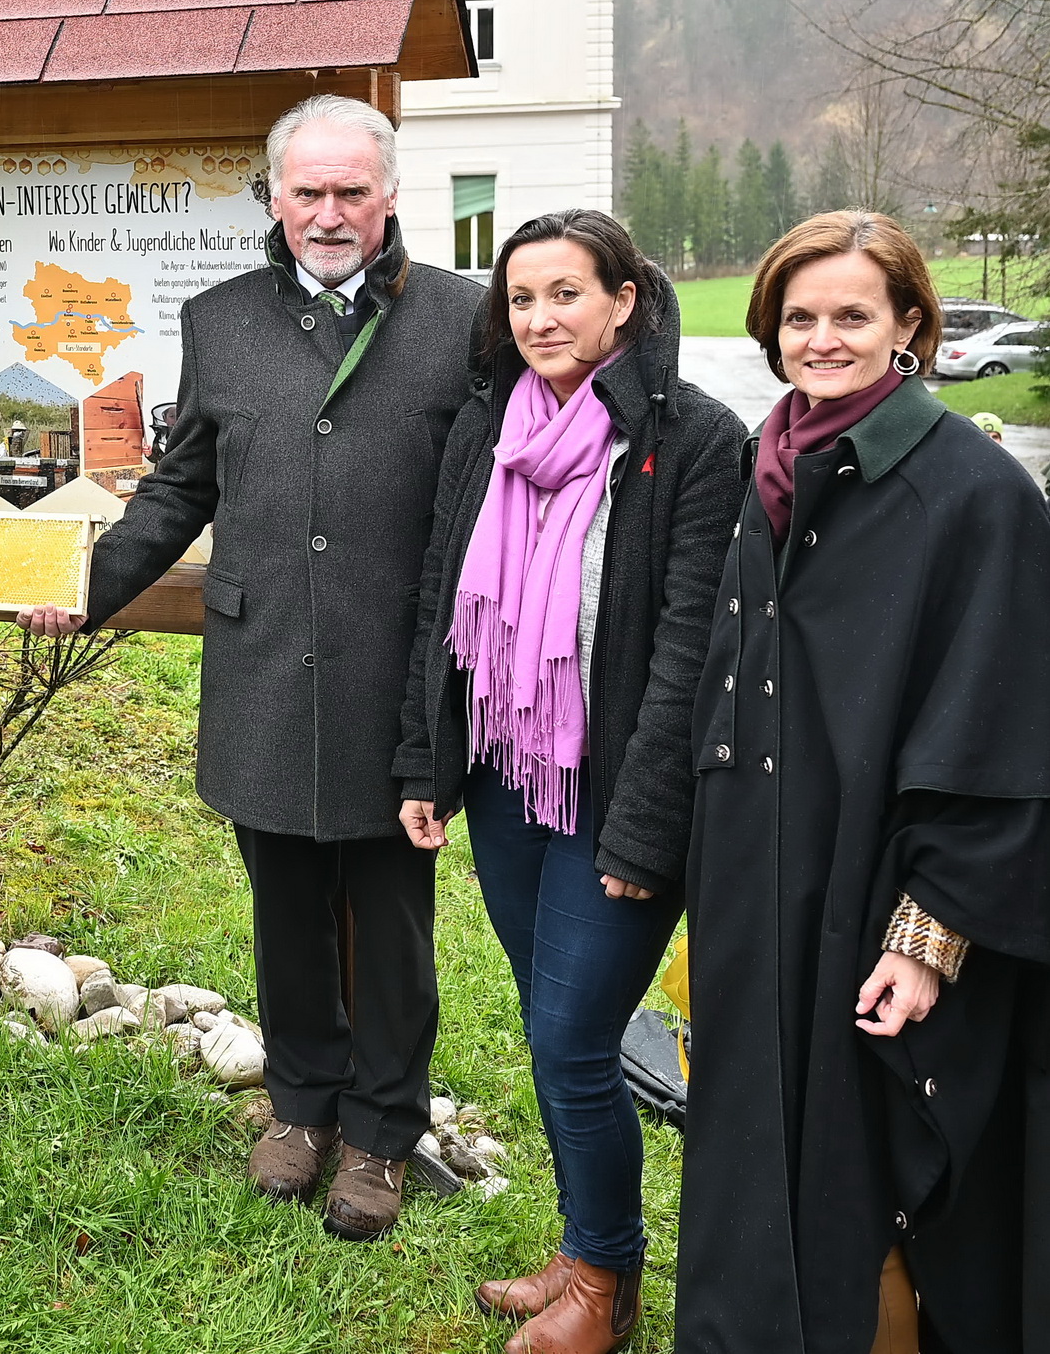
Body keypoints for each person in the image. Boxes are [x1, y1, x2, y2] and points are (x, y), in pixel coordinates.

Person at [21, 92, 480, 1239]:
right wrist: (90, 586)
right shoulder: (219, 318)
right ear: (273, 197)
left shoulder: (467, 322)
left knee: (391, 919)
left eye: (350, 193)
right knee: (282, 907)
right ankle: (299, 1106)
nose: (328, 214)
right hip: (265, 660)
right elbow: (183, 483)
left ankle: (382, 1129)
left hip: (394, 672)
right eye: (307, 192)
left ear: (388, 196)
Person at [679, 212, 1050, 1353]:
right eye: (800, 316)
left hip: (877, 894)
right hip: (755, 879)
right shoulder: (772, 461)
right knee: (750, 1144)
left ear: (908, 328)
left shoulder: (975, 495)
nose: (823, 338)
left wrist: (927, 933)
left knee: (877, 1164)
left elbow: (1005, 733)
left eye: (852, 316)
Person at [395, 212, 745, 1352]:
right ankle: (586, 1250)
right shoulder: (487, 426)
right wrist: (426, 763)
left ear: (625, 301)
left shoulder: (693, 441)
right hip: (505, 780)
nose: (541, 318)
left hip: (614, 800)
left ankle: (609, 1286)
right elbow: (442, 602)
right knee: (557, 1036)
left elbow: (692, 653)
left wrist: (646, 836)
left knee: (572, 1040)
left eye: (566, 294)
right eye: (521, 299)